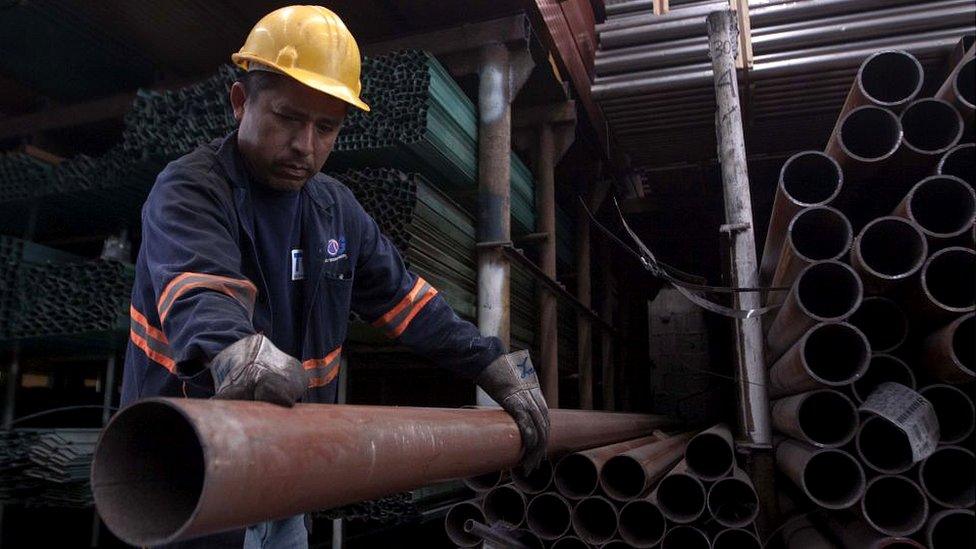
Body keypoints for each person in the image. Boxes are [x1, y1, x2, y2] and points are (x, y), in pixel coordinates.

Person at [119, 6, 550, 548]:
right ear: (240, 103)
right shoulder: (190, 191)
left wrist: (490, 362)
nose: (306, 145)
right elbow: (200, 292)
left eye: (326, 127)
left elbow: (407, 303)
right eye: (287, 117)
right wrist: (236, 349)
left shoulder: (334, 209)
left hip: (283, 483)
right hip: (189, 480)